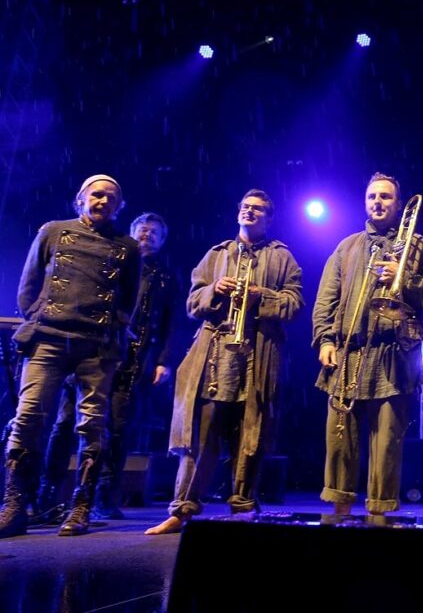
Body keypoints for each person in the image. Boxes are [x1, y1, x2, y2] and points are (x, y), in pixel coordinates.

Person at [146, 189, 302, 535]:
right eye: (245, 207)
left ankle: (243, 508)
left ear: (268, 218)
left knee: (251, 436)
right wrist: (214, 289)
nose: (250, 212)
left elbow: (294, 304)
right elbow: (192, 303)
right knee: (201, 437)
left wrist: (262, 295)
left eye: (257, 209)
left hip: (257, 355)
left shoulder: (282, 257)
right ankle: (183, 510)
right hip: (215, 358)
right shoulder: (216, 254)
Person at [0, 175, 140, 538]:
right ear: (81, 199)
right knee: (28, 417)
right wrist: (40, 316)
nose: (104, 201)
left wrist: (112, 328)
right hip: (48, 338)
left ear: (119, 206)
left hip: (96, 345)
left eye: (111, 198)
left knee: (91, 424)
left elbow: (128, 301)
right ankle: (14, 505)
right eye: (97, 195)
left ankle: (81, 507)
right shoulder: (53, 231)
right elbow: (28, 286)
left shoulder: (127, 247)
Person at [313, 173, 423, 515]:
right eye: (372, 197)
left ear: (398, 205)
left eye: (385, 197)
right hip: (349, 354)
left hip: (394, 356)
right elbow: (326, 300)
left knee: (386, 446)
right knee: (339, 444)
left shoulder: (418, 246)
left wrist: (404, 277)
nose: (378, 202)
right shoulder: (347, 247)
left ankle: (379, 521)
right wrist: (325, 340)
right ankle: (338, 518)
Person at [37, 212, 177, 519]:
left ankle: (103, 497)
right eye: (143, 230)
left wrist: (163, 361)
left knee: (117, 426)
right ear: (132, 232)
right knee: (66, 421)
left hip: (132, 359)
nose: (147, 235)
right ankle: (48, 494)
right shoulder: (111, 259)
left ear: (162, 241)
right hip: (91, 351)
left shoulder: (165, 277)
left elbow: (169, 323)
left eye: (154, 232)